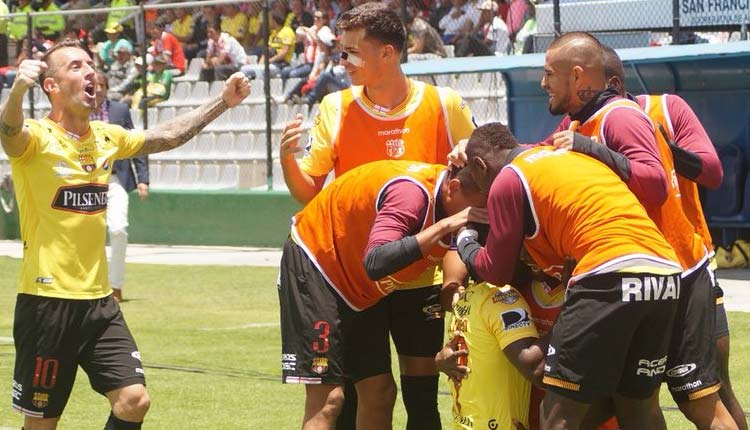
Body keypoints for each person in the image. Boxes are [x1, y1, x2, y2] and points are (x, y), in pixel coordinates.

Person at [0, 39, 249, 430]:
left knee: (134, 401)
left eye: (90, 65)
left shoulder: (107, 136)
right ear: (51, 86)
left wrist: (222, 102)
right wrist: (17, 90)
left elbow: (167, 136)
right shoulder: (36, 138)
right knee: (42, 424)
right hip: (46, 304)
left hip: (99, 305)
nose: (89, 72)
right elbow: (8, 130)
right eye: (76, 66)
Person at [279, 2, 475, 428]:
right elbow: (308, 196)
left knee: (423, 398)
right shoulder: (336, 106)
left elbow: (482, 178)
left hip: (421, 275)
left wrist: (469, 153)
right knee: (359, 395)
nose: (341, 61)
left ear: (388, 53)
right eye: (340, 50)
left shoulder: (446, 104)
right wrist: (287, 160)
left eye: (351, 51)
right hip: (358, 277)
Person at [458, 122, 683, 430]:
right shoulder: (565, 157)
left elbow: (496, 270)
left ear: (480, 165)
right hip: (665, 272)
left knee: (557, 413)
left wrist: (466, 243)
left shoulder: (508, 178)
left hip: (609, 270)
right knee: (637, 407)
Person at [280, 160, 487, 430]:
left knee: (379, 392)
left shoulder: (455, 202)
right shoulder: (410, 196)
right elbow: (376, 261)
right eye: (479, 206)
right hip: (318, 266)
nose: (482, 213)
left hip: (358, 287)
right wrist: (443, 226)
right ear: (454, 187)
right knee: (329, 400)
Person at [602, 45, 746, 430]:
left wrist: (661, 148)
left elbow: (713, 172)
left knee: (712, 391)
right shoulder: (578, 126)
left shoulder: (666, 108)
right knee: (638, 400)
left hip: (689, 267)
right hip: (632, 276)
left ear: (611, 83)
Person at [434, 254, 544, 430]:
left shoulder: (467, 294)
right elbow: (535, 368)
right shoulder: (503, 298)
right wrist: (576, 303)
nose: (527, 255)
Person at [90, 72, 149, 303]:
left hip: (115, 180)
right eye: (93, 86)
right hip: (87, 182)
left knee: (118, 229)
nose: (97, 90)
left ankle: (115, 287)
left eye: (101, 86)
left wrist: (143, 179)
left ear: (106, 88)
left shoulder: (120, 111)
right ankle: (93, 287)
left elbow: (137, 144)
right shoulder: (76, 111)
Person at [240, 12, 295, 80]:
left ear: (274, 21)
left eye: (270, 20)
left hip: (281, 64)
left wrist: (270, 61)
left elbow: (284, 52)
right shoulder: (273, 33)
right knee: (244, 69)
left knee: (261, 71)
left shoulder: (287, 31)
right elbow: (266, 52)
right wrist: (260, 63)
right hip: (269, 63)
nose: (268, 22)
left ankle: (262, 90)